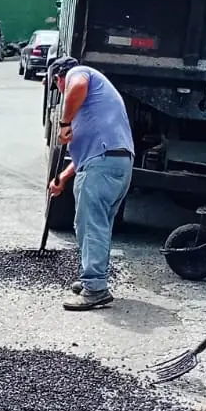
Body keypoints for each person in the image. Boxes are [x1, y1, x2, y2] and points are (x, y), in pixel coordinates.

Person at [46, 56, 134, 311]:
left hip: (103, 165)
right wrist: (62, 178)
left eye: (57, 86)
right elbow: (85, 157)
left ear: (59, 77)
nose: (61, 92)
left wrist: (64, 123)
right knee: (99, 225)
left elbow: (77, 84)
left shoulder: (79, 73)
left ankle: (95, 288)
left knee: (91, 225)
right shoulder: (96, 100)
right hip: (115, 163)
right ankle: (93, 278)